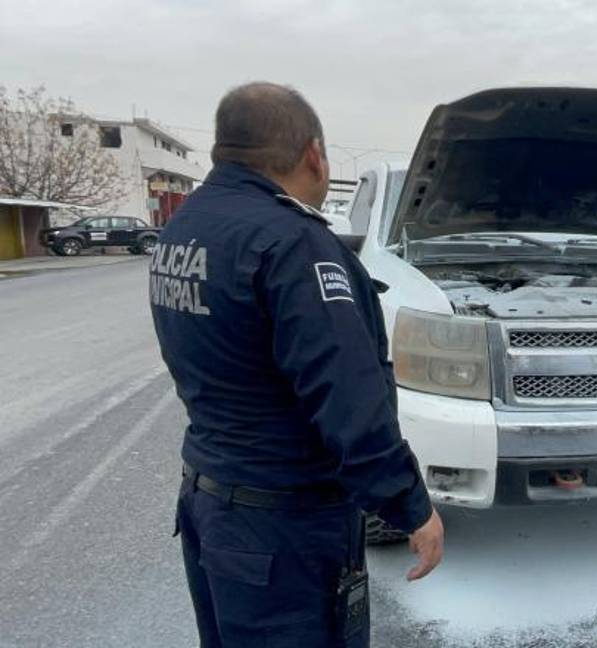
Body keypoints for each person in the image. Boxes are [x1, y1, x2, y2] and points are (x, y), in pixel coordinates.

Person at [149, 82, 443, 647]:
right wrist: (410, 505)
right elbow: (350, 403)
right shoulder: (292, 244)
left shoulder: (185, 229)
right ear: (314, 154)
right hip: (284, 530)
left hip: (212, 508)